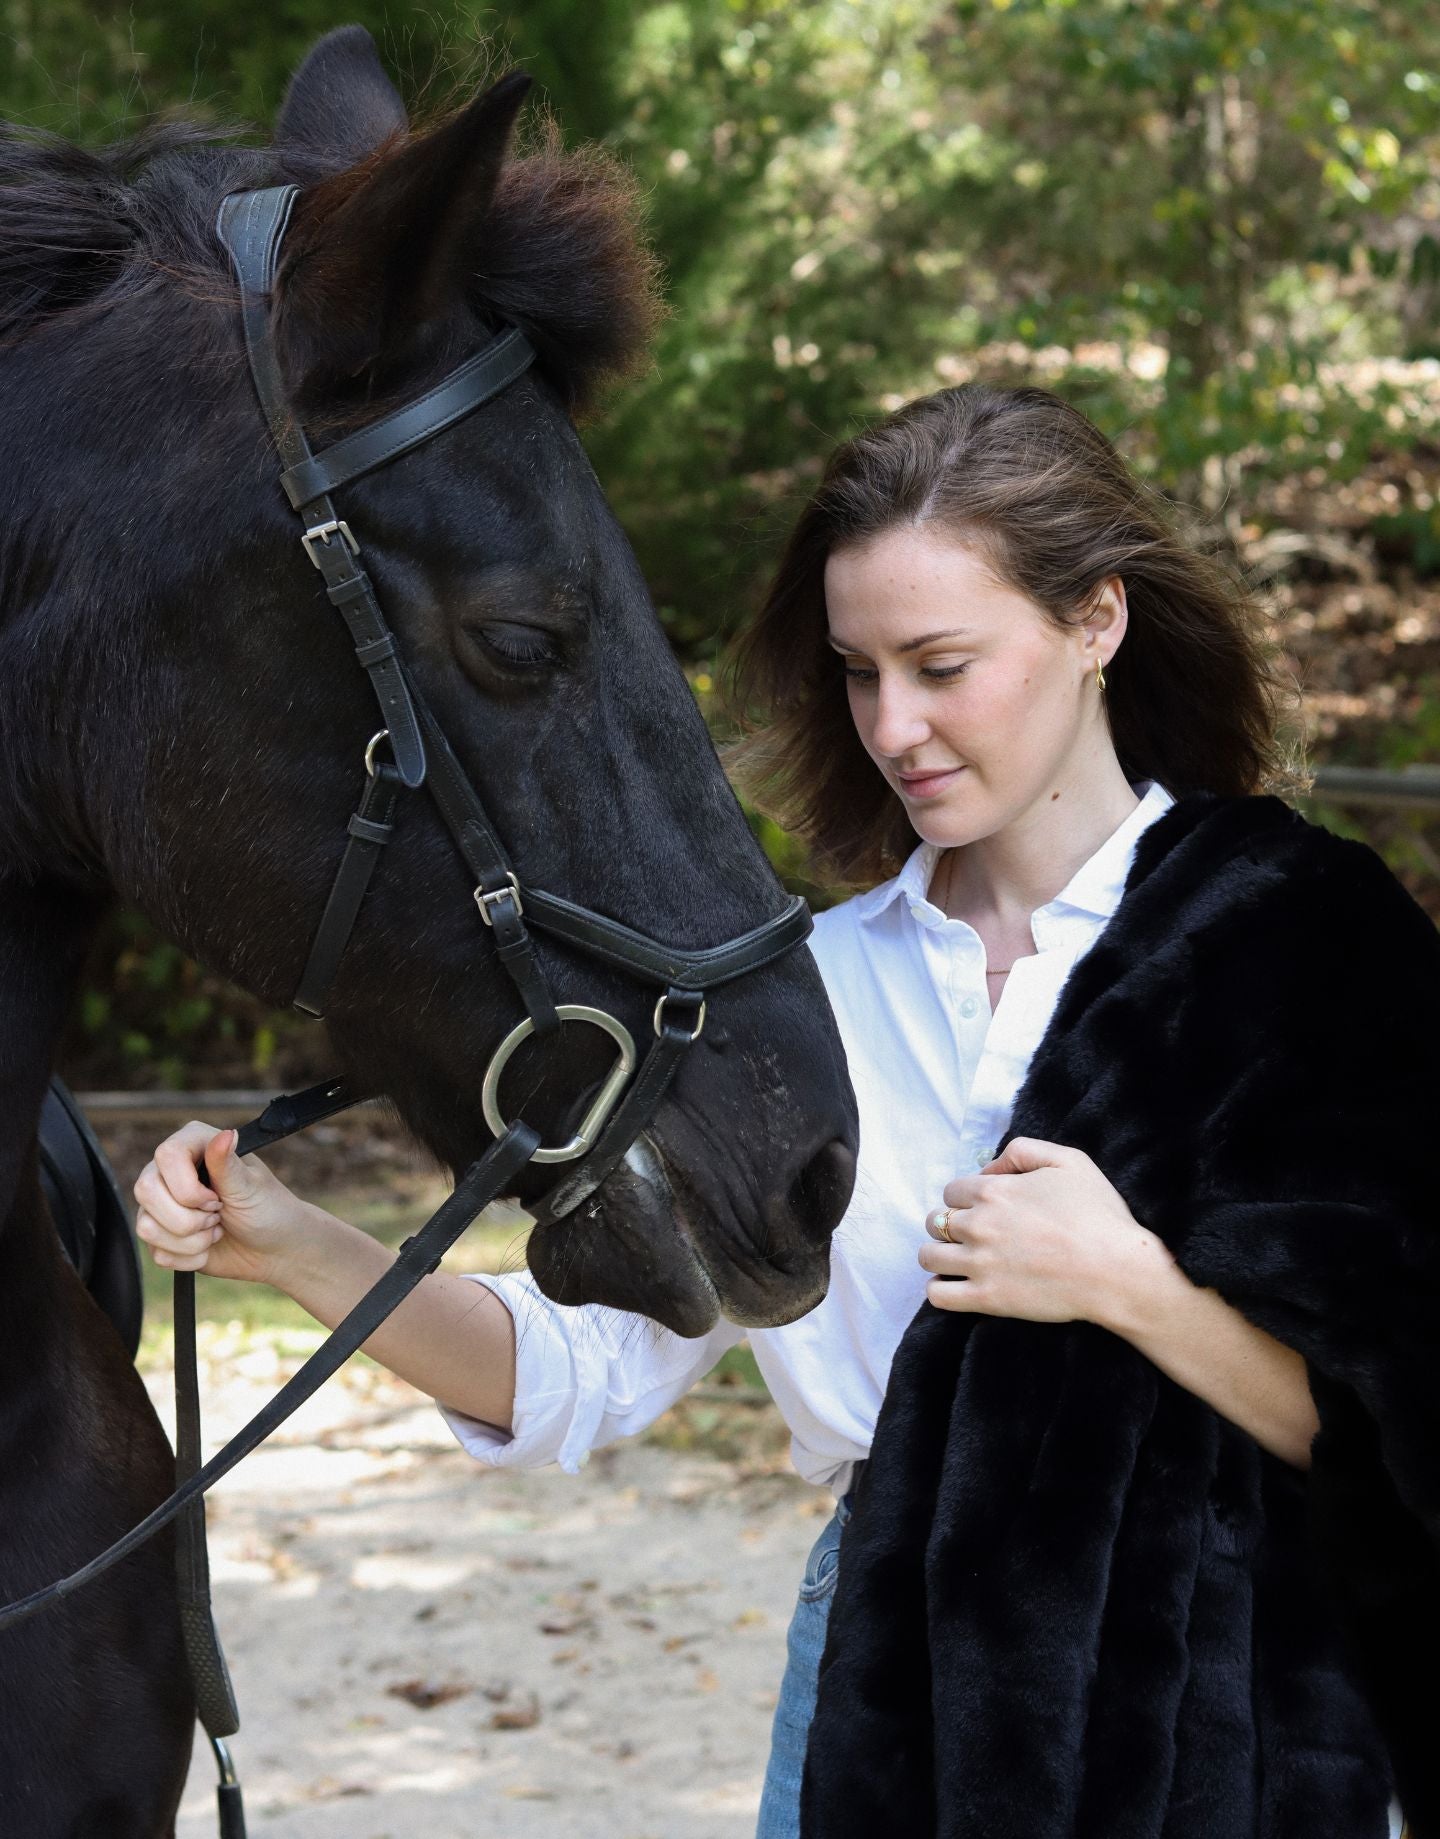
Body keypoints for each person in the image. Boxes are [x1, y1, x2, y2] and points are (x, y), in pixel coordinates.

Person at [132, 384, 1408, 1838]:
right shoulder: (800, 999)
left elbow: (1395, 1424)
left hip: (1224, 1685)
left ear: (1096, 621)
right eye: (861, 673)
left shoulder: (1306, 943)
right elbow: (589, 1366)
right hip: (886, 1680)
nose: (895, 727)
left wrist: (1127, 1289)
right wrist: (297, 1247)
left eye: (941, 664)